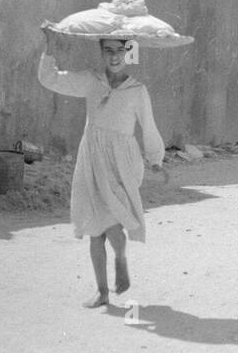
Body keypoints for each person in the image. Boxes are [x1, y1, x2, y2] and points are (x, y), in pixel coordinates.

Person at [38, 33, 165, 308]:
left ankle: (120, 257)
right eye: (108, 50)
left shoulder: (137, 91)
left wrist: (156, 159)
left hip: (121, 163)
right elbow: (52, 79)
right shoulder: (90, 82)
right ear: (101, 52)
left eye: (121, 51)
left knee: (113, 221)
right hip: (92, 160)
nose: (114, 56)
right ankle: (102, 291)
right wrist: (49, 47)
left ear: (129, 53)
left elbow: (149, 125)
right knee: (95, 228)